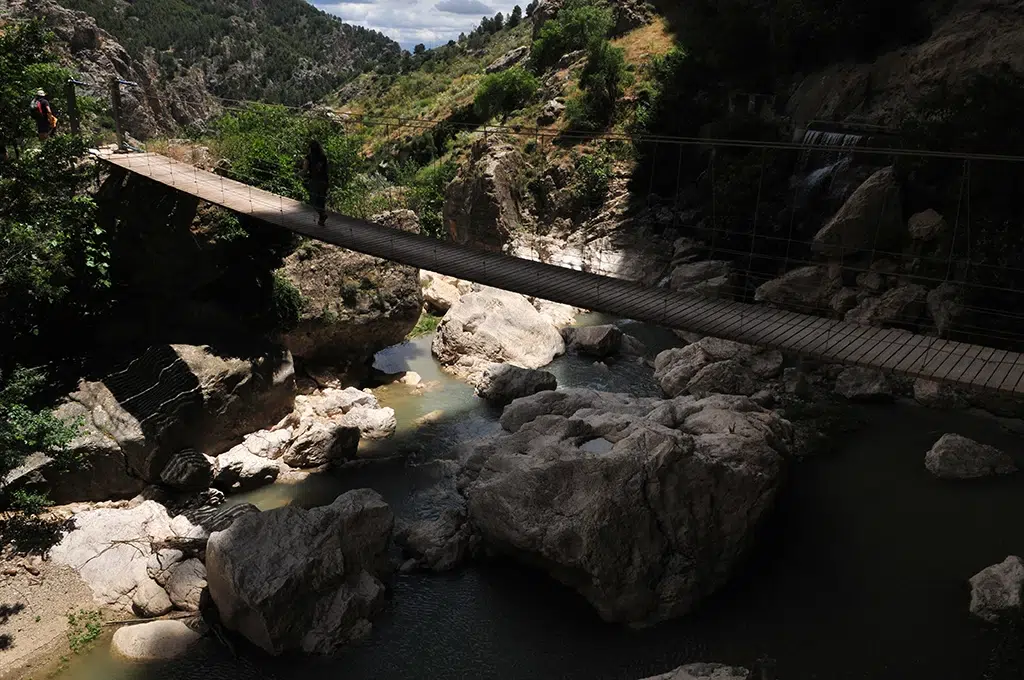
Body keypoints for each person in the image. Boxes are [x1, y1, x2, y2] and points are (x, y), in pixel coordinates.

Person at [301, 139, 329, 226]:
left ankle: (322, 215)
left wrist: (295, 174)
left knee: (313, 202)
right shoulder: (323, 157)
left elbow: (304, 170)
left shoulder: (308, 157)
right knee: (321, 200)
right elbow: (326, 169)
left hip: (314, 181)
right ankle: (321, 221)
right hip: (324, 181)